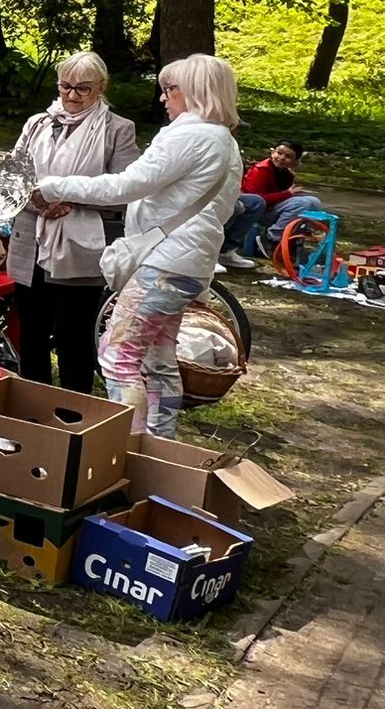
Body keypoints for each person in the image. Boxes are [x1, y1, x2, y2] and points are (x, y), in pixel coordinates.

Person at [33, 53, 243, 440]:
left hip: (163, 266)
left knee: (117, 357)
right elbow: (225, 208)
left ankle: (126, 450)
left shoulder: (190, 134)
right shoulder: (225, 141)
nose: (163, 98)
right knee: (158, 361)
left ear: (194, 91)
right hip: (191, 265)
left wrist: (56, 185)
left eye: (169, 89)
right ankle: (160, 444)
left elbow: (125, 186)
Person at [4, 52, 140, 395]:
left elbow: (127, 189)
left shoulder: (117, 129)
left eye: (83, 88)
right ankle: (32, 402)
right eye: (66, 86)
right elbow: (12, 174)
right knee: (31, 329)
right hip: (30, 236)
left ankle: (74, 408)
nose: (72, 95)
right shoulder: (37, 123)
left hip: (80, 245)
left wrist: (69, 197)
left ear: (101, 88)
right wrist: (37, 199)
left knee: (72, 334)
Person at [223, 140, 323, 268]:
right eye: (279, 153)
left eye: (288, 157)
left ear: (295, 161)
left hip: (271, 207)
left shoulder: (285, 172)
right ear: (272, 152)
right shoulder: (261, 170)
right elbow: (256, 200)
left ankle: (294, 237)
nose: (281, 158)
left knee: (313, 202)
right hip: (255, 210)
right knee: (302, 203)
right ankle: (271, 238)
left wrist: (290, 181)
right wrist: (287, 194)